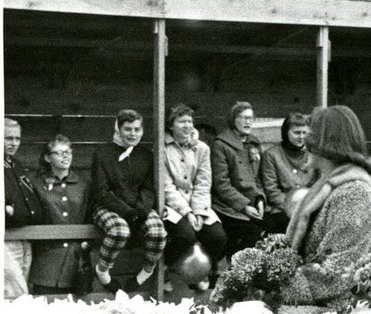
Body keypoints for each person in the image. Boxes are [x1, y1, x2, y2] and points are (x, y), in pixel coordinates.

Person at [285, 106, 371, 299]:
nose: (304, 142)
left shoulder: (353, 193)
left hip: (351, 306)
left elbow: (338, 273)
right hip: (326, 298)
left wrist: (277, 283)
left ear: (325, 142)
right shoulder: (327, 185)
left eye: (311, 136)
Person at [90, 109, 168, 292]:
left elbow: (149, 188)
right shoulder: (102, 154)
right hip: (107, 206)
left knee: (158, 232)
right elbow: (101, 191)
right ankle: (102, 271)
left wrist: (141, 210)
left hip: (137, 208)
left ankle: (146, 272)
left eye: (137, 129)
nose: (133, 134)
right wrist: (128, 212)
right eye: (128, 129)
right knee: (120, 231)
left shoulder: (146, 155)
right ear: (118, 129)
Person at [162, 104, 227, 292]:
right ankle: (166, 268)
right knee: (185, 235)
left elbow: (203, 183)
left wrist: (198, 212)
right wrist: (187, 212)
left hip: (199, 203)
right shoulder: (163, 149)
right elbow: (167, 187)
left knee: (218, 237)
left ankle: (202, 272)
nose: (187, 126)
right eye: (181, 121)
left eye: (189, 121)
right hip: (173, 205)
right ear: (171, 125)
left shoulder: (202, 149)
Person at [29, 135, 91, 297]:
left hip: (76, 263)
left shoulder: (83, 184)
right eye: (60, 152)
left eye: (68, 152)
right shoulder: (36, 183)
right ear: (47, 158)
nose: (65, 156)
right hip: (46, 263)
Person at [211, 101, 265, 258]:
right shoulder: (221, 145)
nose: (248, 122)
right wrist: (245, 206)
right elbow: (222, 185)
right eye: (243, 118)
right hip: (228, 207)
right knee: (253, 235)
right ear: (233, 119)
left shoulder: (254, 144)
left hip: (253, 205)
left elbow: (258, 178)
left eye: (251, 118)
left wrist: (260, 199)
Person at [4, 117, 46, 298]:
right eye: (8, 138)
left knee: (21, 289)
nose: (14, 143)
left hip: (24, 237)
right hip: (5, 239)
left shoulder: (15, 165)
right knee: (15, 291)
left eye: (17, 139)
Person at [260, 112, 312, 233]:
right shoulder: (271, 155)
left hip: (308, 207)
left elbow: (317, 184)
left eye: (305, 133)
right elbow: (271, 191)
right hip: (281, 209)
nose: (301, 137)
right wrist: (295, 208)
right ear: (286, 132)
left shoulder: (312, 155)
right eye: (297, 133)